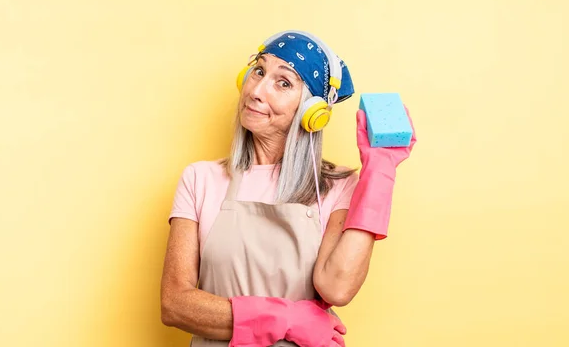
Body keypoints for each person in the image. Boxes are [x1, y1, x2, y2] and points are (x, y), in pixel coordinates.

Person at [160, 30, 416, 347]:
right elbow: (175, 305)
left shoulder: (337, 186)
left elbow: (337, 287)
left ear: (312, 112)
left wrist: (379, 171)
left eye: (283, 83)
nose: (256, 90)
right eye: (258, 71)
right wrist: (287, 320)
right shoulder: (199, 179)